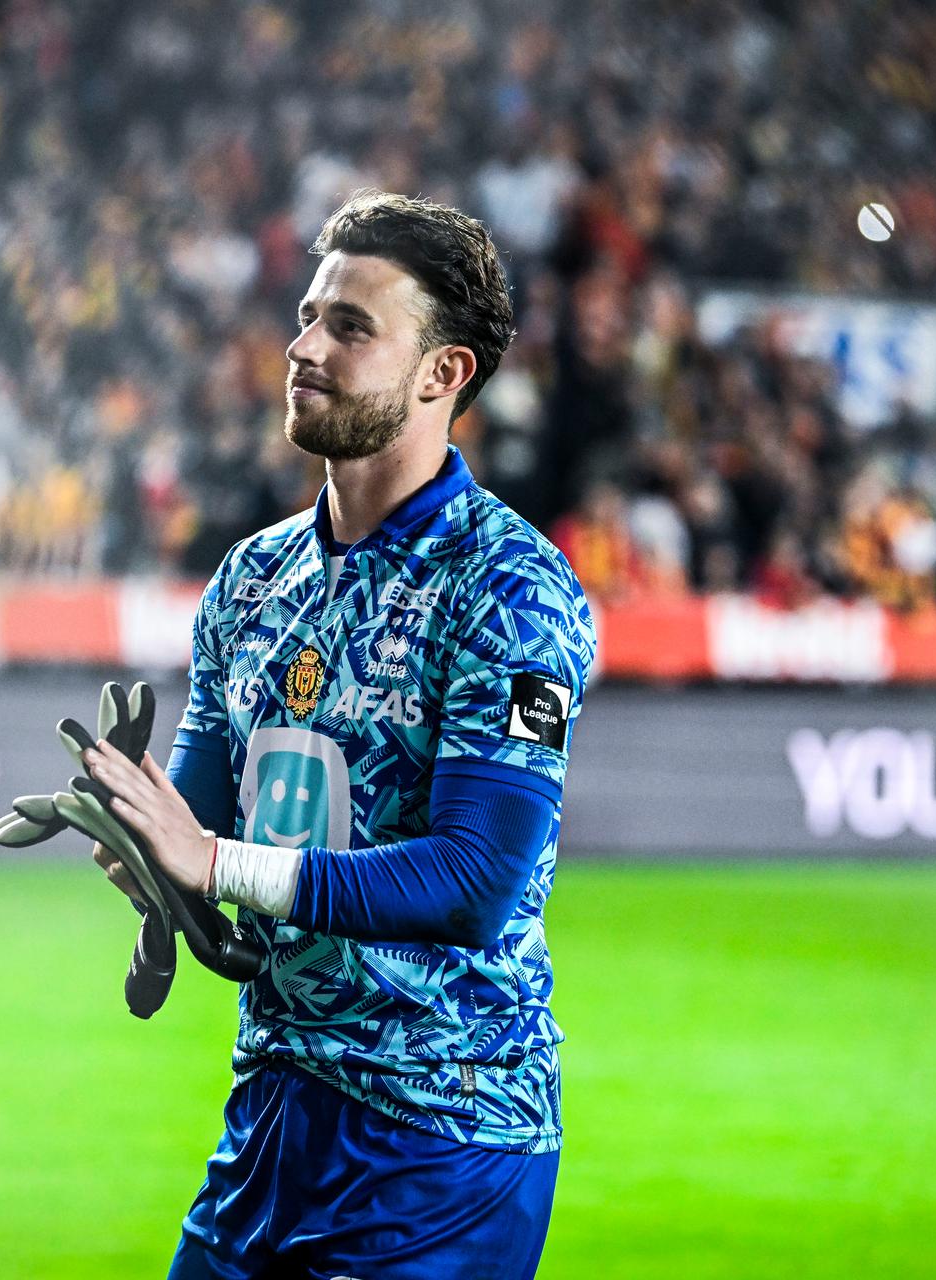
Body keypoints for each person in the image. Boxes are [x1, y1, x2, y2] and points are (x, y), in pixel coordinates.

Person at [82, 190, 596, 1280]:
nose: (304, 345)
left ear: (441, 374)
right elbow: (202, 833)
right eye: (310, 315)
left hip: (441, 1139)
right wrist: (145, 849)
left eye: (351, 326)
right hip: (271, 1110)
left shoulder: (510, 588)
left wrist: (210, 859)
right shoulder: (251, 577)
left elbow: (474, 881)